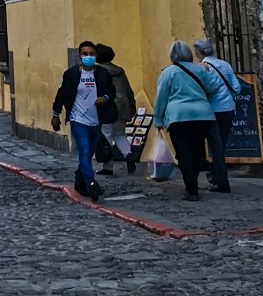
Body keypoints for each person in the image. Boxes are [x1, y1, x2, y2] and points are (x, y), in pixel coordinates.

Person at [153, 40, 223, 202]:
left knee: (184, 153)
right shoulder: (199, 70)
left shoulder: (168, 72)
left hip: (179, 117)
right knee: (197, 151)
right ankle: (194, 181)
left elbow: (161, 97)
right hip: (202, 115)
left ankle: (191, 189)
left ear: (172, 56)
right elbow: (213, 88)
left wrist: (158, 119)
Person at [51, 40, 117, 201]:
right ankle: (92, 184)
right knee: (85, 151)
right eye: (85, 54)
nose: (88, 57)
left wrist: (106, 98)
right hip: (78, 119)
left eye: (91, 54)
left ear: (96, 56)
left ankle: (79, 181)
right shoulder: (72, 74)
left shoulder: (102, 74)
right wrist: (55, 114)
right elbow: (62, 94)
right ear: (80, 56)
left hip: (96, 120)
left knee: (88, 155)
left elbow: (112, 91)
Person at [194, 37, 239, 193]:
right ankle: (215, 175)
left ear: (198, 52)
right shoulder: (225, 65)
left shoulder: (203, 67)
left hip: (212, 110)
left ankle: (221, 180)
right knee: (221, 145)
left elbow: (204, 89)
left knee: (214, 146)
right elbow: (237, 87)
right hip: (228, 109)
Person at [95, 43, 137, 176]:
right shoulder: (119, 71)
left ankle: (108, 167)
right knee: (120, 134)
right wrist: (131, 107)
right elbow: (128, 90)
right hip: (122, 106)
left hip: (106, 108)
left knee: (106, 135)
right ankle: (128, 154)